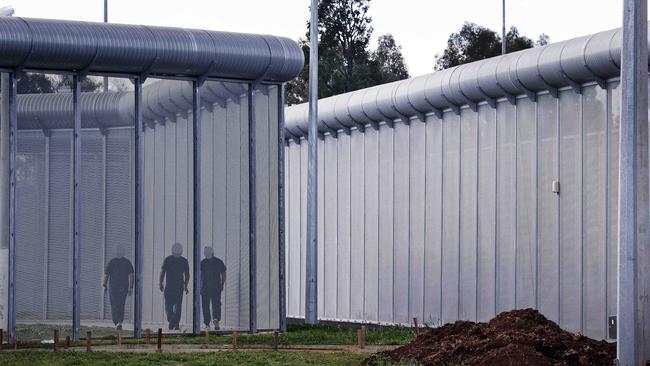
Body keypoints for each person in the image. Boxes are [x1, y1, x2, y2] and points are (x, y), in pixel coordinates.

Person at [159, 242, 189, 331]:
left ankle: (171, 319)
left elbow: (162, 273)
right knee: (178, 306)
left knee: (168, 305)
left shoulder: (168, 259)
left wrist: (160, 283)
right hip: (179, 287)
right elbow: (187, 275)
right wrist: (186, 285)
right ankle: (175, 322)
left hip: (170, 287)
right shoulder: (184, 261)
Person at [103, 246, 134, 331]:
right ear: (123, 253)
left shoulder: (112, 262)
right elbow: (131, 275)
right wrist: (131, 287)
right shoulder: (127, 262)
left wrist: (104, 285)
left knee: (114, 305)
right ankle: (119, 322)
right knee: (121, 304)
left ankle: (116, 322)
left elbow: (106, 275)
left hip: (113, 287)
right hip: (123, 287)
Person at [200, 246, 226, 330]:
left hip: (207, 288)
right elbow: (223, 273)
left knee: (206, 305)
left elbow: (200, 276)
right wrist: (222, 284)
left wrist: (200, 287)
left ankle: (208, 323)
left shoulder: (203, 262)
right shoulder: (218, 261)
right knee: (216, 304)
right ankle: (215, 320)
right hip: (215, 287)